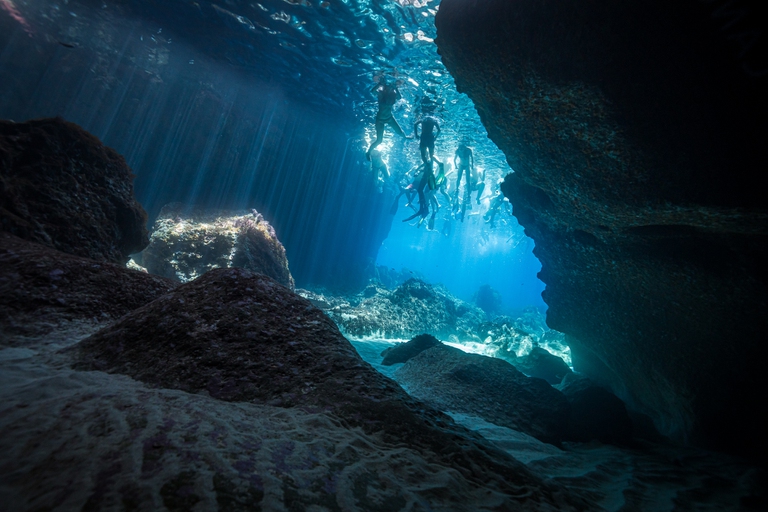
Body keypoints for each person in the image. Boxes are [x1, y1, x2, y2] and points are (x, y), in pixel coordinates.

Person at [366, 75, 409, 159]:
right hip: (380, 120)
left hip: (389, 117)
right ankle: (368, 152)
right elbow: (372, 91)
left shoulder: (393, 94)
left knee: (400, 132)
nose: (390, 87)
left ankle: (405, 137)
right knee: (379, 141)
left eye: (391, 86)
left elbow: (399, 97)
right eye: (388, 86)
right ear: (385, 87)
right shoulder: (381, 94)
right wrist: (379, 84)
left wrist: (396, 88)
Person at [453, 140, 474, 209]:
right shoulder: (457, 151)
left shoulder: (468, 150)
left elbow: (472, 158)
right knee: (458, 178)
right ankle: (456, 189)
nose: (461, 150)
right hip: (461, 165)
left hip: (467, 165)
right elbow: (454, 159)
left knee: (468, 181)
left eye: (462, 149)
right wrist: (455, 165)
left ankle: (468, 195)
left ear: (464, 148)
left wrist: (472, 165)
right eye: (460, 149)